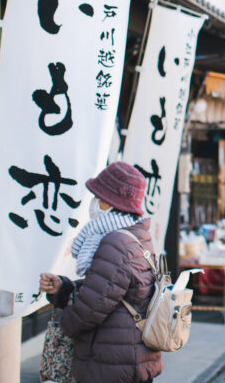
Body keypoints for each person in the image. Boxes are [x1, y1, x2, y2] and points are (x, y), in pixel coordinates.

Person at [38, 162, 161, 383]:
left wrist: (66, 325)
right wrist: (65, 288)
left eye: (98, 197)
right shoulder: (135, 236)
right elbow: (108, 288)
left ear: (110, 202)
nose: (94, 203)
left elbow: (93, 306)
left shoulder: (115, 241)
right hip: (127, 354)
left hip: (112, 361)